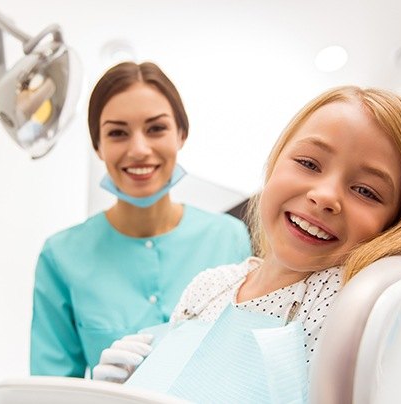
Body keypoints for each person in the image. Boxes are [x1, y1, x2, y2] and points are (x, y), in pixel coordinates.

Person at [93, 85, 401, 383]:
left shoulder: (345, 304)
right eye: (308, 163)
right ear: (275, 162)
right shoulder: (209, 286)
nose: (325, 196)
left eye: (366, 191)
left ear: (397, 223)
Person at [30, 62, 252, 377]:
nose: (139, 149)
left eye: (156, 128)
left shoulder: (229, 238)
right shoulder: (61, 256)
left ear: (181, 134)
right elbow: (46, 393)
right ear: (98, 146)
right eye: (118, 133)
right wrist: (97, 389)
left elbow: (248, 364)